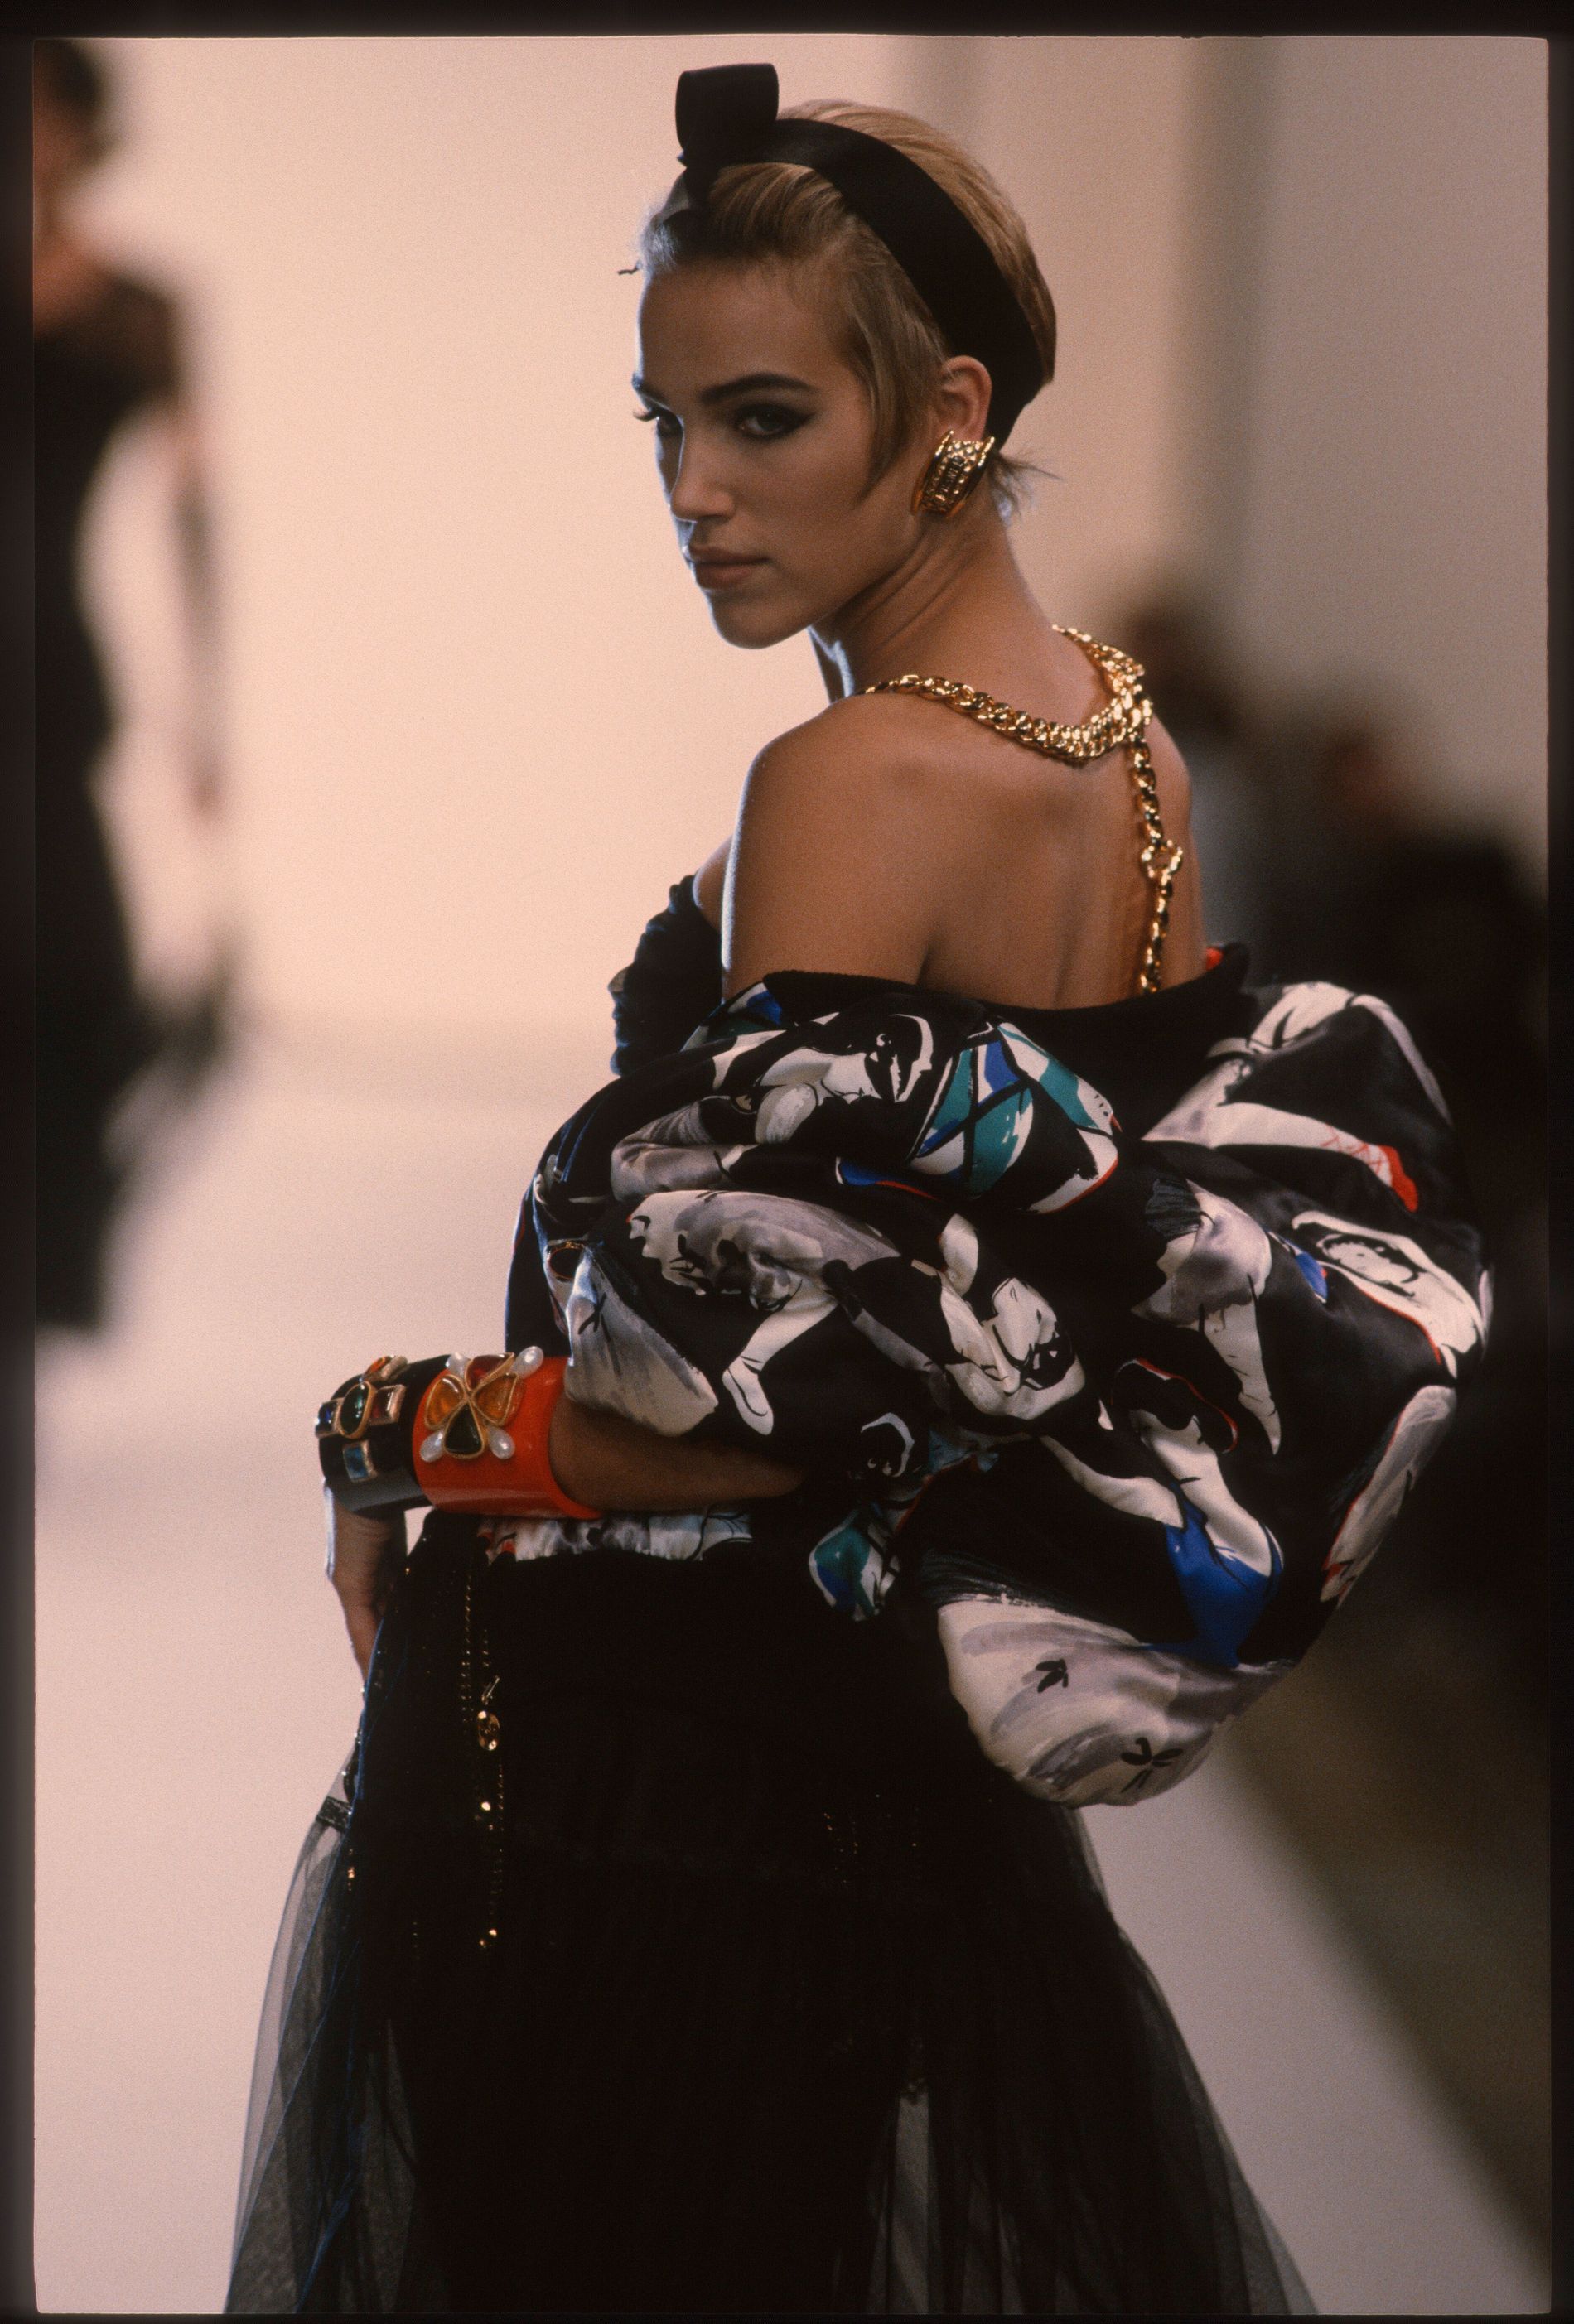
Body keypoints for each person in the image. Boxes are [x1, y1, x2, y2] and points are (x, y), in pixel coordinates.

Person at [227, 67, 1487, 2316]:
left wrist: (391, 1422)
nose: (692, 493)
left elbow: (743, 1394)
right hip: (871, 1763)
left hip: (651, 1763)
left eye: (760, 418)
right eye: (660, 425)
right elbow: (983, 1292)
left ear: (949, 411)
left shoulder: (849, 776)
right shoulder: (1108, 731)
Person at [34, 36, 228, 1332]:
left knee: (76, 982)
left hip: (46, 668)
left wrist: (207, 711)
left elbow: (193, 518)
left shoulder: (139, 307)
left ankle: (50, 1268)